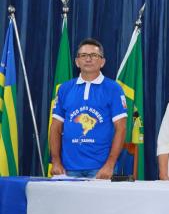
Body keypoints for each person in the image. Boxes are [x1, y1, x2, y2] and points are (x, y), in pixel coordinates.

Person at [50, 38, 127, 179]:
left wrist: (110, 165)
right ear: (77, 61)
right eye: (83, 55)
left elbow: (121, 129)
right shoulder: (64, 89)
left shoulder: (114, 89)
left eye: (94, 55)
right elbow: (55, 127)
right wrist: (56, 162)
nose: (88, 59)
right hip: (67, 169)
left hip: (100, 169)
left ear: (102, 62)